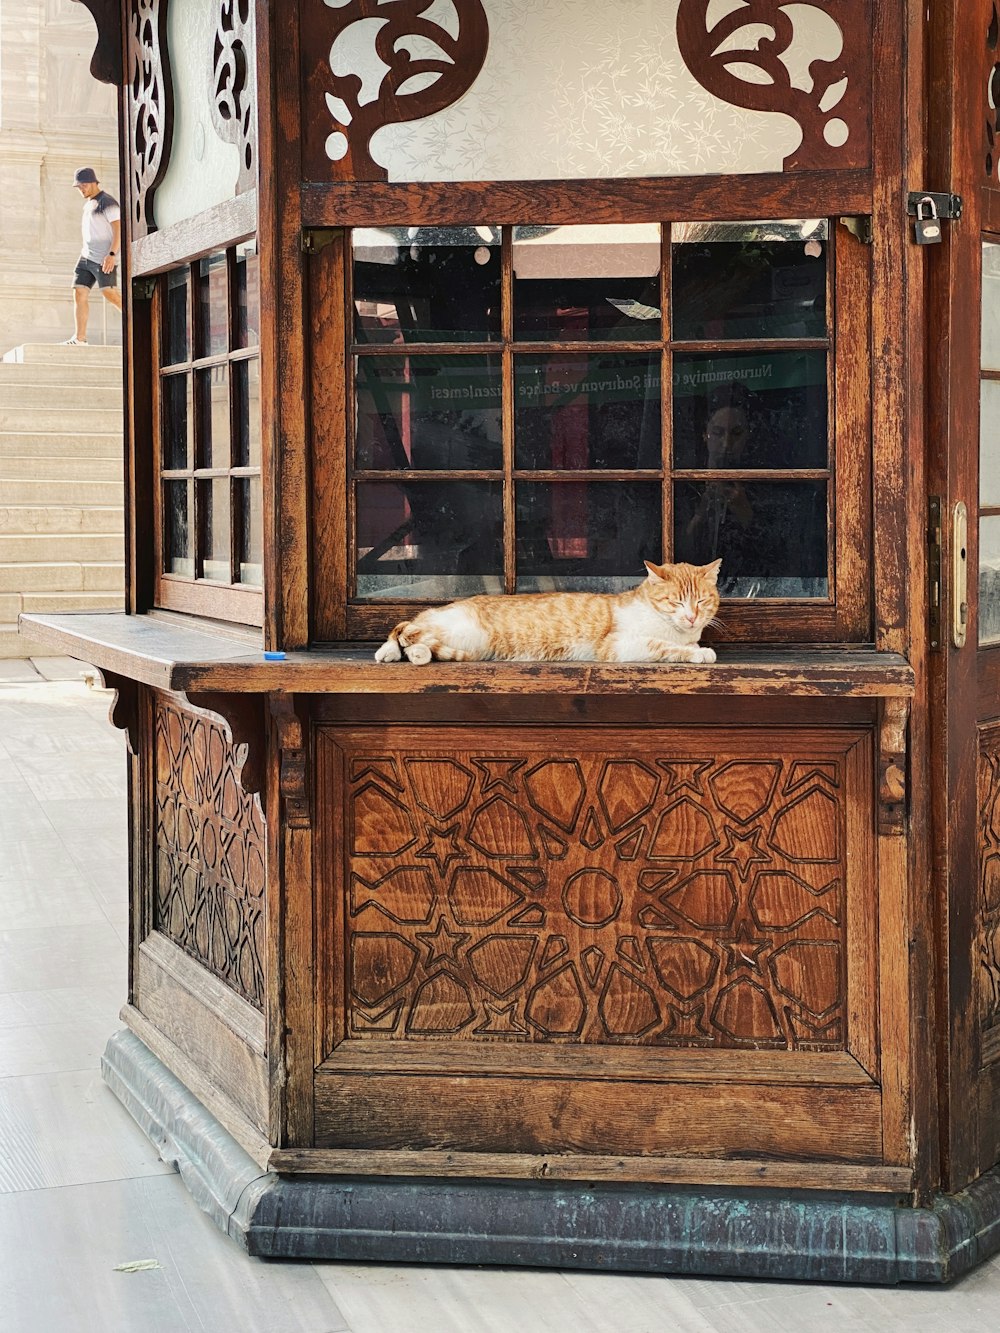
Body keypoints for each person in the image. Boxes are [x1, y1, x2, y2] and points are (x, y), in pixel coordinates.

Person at [64, 167, 122, 345]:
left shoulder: (107, 202)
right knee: (79, 291)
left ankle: (136, 320)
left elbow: (118, 229)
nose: (81, 189)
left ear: (94, 183)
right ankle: (79, 338)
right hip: (86, 257)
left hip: (103, 258)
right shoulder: (89, 203)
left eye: (84, 186)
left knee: (109, 293)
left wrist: (112, 254)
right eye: (79, 187)